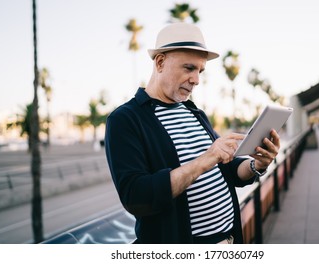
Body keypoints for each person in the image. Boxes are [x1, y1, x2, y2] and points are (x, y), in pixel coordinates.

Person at [105, 23, 280, 244]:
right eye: (189, 68)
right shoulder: (125, 119)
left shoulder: (194, 112)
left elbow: (227, 169)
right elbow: (136, 196)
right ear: (160, 62)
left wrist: (257, 164)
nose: (196, 79)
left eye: (200, 71)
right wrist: (207, 158)